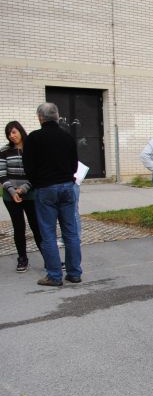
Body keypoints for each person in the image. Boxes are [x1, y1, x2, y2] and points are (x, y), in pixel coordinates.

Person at [22, 103, 82, 286]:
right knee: (70, 232)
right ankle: (74, 273)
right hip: (67, 187)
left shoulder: (33, 138)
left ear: (40, 117)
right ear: (57, 116)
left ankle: (54, 276)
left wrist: (38, 182)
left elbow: (28, 168)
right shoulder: (67, 137)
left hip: (45, 189)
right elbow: (74, 165)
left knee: (48, 233)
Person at [1, 121, 42, 273]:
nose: (11, 136)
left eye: (14, 132)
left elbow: (37, 172)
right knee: (19, 228)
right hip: (11, 196)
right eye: (9, 134)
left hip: (30, 194)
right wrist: (13, 192)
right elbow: (2, 174)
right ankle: (22, 259)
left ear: (20, 131)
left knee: (36, 227)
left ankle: (49, 258)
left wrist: (24, 188)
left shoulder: (32, 149)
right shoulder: (4, 151)